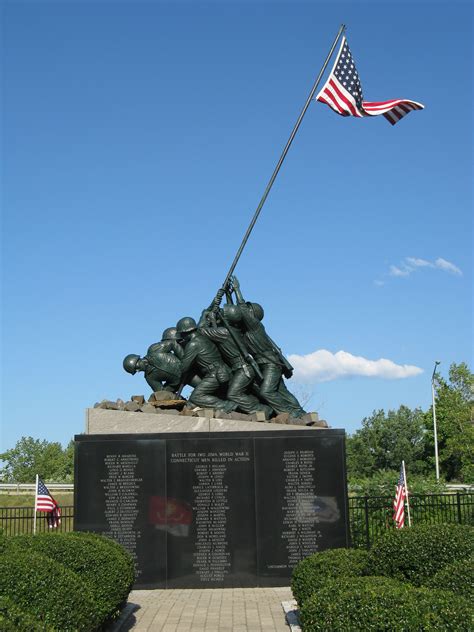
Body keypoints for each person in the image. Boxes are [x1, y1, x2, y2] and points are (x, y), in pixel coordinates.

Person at [228, 276, 306, 418]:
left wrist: (237, 290)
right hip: (266, 364)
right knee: (282, 392)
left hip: (270, 363)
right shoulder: (247, 329)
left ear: (252, 314)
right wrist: (228, 294)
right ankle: (300, 412)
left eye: (248, 311)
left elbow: (242, 310)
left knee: (266, 392)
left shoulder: (255, 326)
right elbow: (236, 314)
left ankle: (291, 414)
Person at [199, 304, 273, 417]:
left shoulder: (223, 332)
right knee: (251, 392)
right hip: (243, 368)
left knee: (233, 394)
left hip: (243, 369)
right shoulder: (236, 331)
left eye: (222, 313)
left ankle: (262, 410)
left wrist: (204, 316)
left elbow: (201, 331)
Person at [176, 316, 236, 413]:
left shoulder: (193, 344)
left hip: (215, 374)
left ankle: (226, 406)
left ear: (185, 333)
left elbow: (183, 367)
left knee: (196, 397)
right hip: (222, 371)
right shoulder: (203, 338)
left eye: (182, 335)